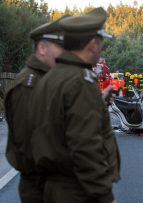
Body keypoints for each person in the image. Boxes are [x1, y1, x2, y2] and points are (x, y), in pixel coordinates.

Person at [30, 7, 120, 203]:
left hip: (53, 186)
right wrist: (104, 195)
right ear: (93, 44)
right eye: (101, 43)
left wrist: (98, 103)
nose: (101, 48)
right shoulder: (81, 81)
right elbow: (85, 146)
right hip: (77, 191)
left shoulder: (50, 77)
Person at [5, 16, 68, 203]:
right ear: (42, 48)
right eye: (62, 47)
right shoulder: (29, 85)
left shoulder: (48, 79)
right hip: (41, 187)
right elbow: (28, 148)